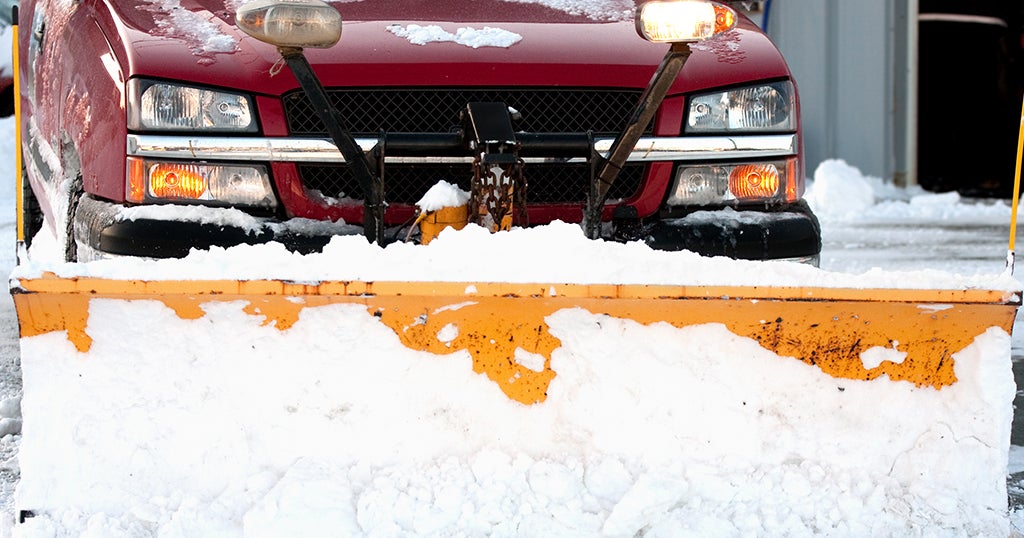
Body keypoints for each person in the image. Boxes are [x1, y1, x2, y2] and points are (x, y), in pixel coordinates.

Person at [918, 0, 1024, 197]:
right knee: (981, 104)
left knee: (934, 102)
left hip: (926, 17)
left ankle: (939, 173)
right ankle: (984, 176)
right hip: (986, 18)